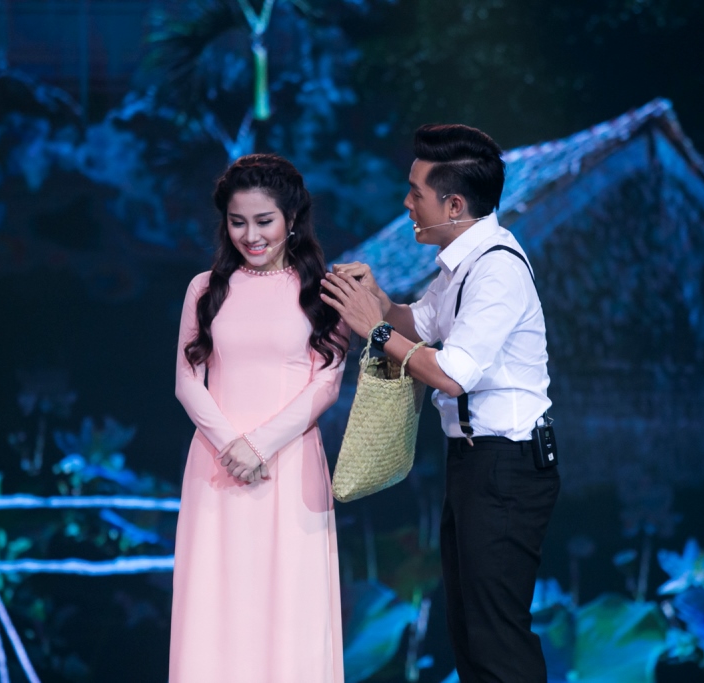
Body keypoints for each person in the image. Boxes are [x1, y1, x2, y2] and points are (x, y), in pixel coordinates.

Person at [321, 124, 559, 683]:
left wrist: (376, 330)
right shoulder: (460, 264)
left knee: (496, 636)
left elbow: (451, 374)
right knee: (470, 631)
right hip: (477, 462)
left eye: (416, 192)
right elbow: (420, 323)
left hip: (507, 464)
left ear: (454, 205)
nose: (407, 203)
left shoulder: (497, 269)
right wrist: (379, 301)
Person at [171, 153, 348, 682]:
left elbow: (327, 383)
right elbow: (186, 381)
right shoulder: (205, 288)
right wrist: (233, 445)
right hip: (216, 466)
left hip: (289, 465)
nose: (251, 235)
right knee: (214, 602)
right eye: (238, 221)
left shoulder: (323, 292)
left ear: (291, 218)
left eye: (264, 221)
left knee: (291, 605)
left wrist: (260, 445)